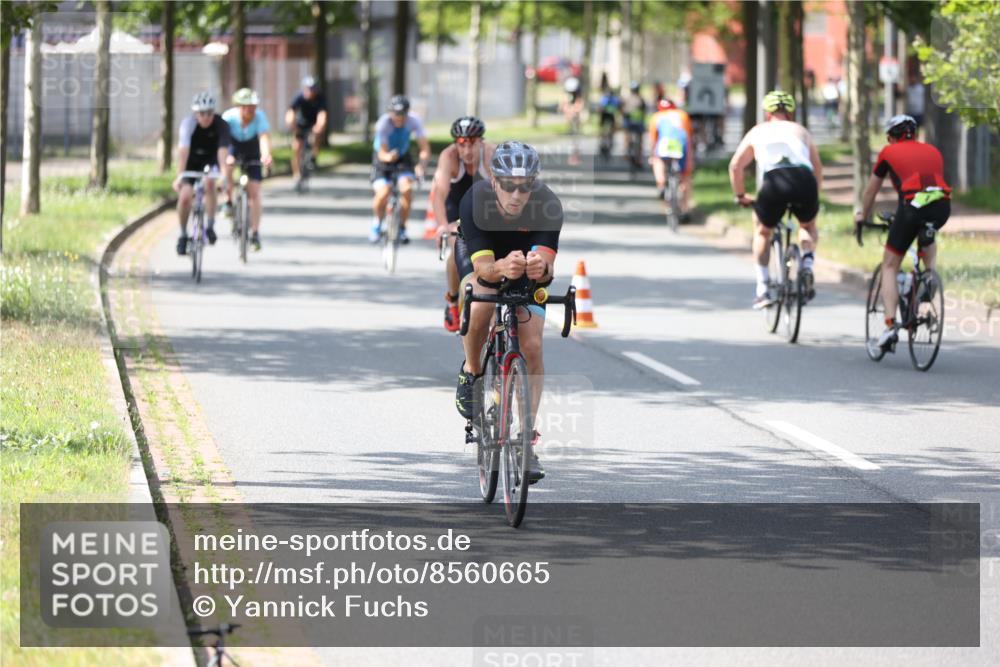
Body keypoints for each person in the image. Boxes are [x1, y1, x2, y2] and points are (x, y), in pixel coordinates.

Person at [454, 141, 563, 483]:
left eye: (525, 185)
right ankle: (472, 372)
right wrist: (501, 267)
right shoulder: (476, 200)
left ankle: (527, 441)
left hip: (523, 266)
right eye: (509, 185)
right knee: (480, 295)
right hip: (485, 259)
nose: (517, 194)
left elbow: (548, 268)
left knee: (531, 346)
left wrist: (539, 269)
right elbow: (485, 269)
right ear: (494, 182)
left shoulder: (547, 204)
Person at [854, 114, 950, 351]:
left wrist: (862, 217)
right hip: (942, 206)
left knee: (889, 264)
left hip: (912, 206)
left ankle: (889, 326)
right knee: (927, 233)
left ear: (890, 137)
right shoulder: (933, 151)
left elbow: (870, 192)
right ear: (915, 134)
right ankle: (927, 277)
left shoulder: (888, 152)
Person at [729, 90, 823, 309]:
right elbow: (817, 167)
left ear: (767, 112)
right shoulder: (801, 131)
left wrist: (740, 195)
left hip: (774, 181)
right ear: (790, 112)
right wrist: (814, 194)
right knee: (807, 224)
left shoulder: (758, 131)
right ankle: (807, 263)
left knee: (762, 230)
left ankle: (763, 287)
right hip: (804, 179)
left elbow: (735, 166)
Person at [430, 116, 496, 333]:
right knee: (455, 248)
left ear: (481, 142)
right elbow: (439, 195)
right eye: (461, 143)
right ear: (455, 144)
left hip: (483, 206)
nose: (467, 150)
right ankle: (452, 300)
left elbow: (503, 192)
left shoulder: (490, 155)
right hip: (456, 206)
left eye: (472, 143)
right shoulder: (448, 157)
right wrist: (442, 226)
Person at [369, 95, 432, 243]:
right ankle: (377, 223)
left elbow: (424, 148)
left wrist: (421, 166)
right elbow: (382, 153)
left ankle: (402, 227)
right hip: (383, 159)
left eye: (403, 115)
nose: (399, 118)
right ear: (390, 113)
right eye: (396, 114)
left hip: (402, 158)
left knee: (407, 189)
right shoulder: (383, 124)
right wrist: (388, 157)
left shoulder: (414, 121)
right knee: (384, 192)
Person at [173, 91, 230, 255]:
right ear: (196, 113)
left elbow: (222, 152)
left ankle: (210, 225)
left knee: (210, 183)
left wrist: (224, 175)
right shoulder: (188, 124)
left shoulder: (221, 125)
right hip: (191, 162)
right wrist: (179, 176)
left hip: (211, 161)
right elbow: (183, 151)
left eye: (209, 113)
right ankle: (183, 235)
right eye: (202, 113)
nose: (206, 117)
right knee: (184, 198)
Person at [222, 87, 272, 252]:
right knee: (227, 168)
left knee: (255, 193)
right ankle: (228, 201)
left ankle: (255, 234)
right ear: (239, 107)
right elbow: (223, 141)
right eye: (247, 107)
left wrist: (266, 155)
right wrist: (227, 157)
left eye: (253, 107)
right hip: (233, 147)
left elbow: (264, 137)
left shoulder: (259, 117)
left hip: (252, 150)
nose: (251, 110)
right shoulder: (228, 118)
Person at [648, 97, 695, 219]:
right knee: (685, 177)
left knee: (657, 160)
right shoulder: (683, 115)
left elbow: (653, 140)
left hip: (664, 144)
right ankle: (685, 208)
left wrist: (652, 156)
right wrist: (690, 159)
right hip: (681, 144)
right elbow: (689, 136)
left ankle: (661, 184)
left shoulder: (656, 117)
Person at [285, 75, 327, 187]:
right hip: (301, 124)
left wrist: (319, 126)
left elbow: (322, 115)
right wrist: (291, 124)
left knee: (317, 135)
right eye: (308, 88)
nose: (310, 91)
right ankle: (296, 174)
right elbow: (291, 111)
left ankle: (313, 155)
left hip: (313, 123)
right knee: (297, 148)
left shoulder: (320, 98)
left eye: (312, 89)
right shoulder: (299, 97)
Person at [621, 81, 648, 169]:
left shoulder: (627, 99)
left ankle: (626, 151)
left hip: (630, 123)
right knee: (639, 141)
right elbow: (644, 112)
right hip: (638, 123)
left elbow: (622, 110)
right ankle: (638, 158)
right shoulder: (641, 99)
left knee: (628, 137)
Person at [596, 86, 622, 156]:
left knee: (608, 130)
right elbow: (600, 109)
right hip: (605, 116)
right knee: (604, 130)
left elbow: (618, 108)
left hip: (609, 116)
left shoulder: (610, 99)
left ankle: (607, 139)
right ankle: (604, 140)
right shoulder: (605, 99)